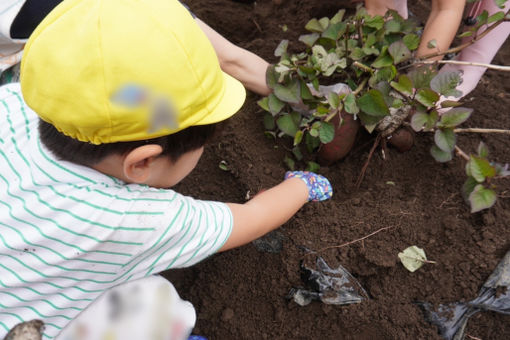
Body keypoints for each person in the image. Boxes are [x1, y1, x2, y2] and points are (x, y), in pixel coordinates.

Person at [0, 0, 333, 339]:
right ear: (142, 162)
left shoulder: (11, 103)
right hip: (28, 329)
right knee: (156, 304)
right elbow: (249, 220)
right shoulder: (129, 220)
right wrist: (302, 186)